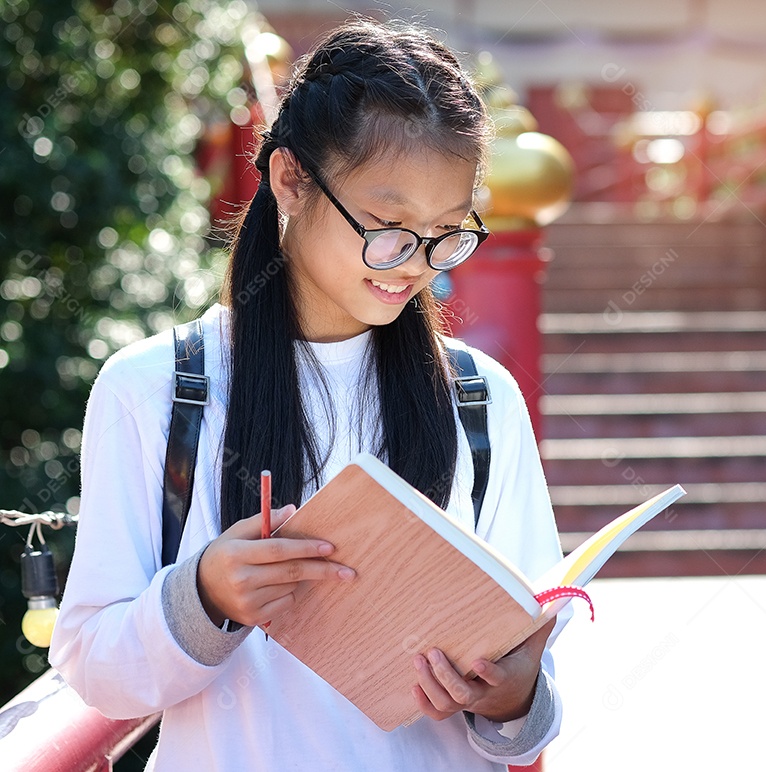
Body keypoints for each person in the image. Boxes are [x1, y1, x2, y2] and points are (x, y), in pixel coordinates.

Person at [49, 17, 568, 771]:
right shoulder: (157, 391)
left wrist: (511, 697)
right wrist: (204, 599)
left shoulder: (478, 398)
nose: (414, 264)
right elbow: (94, 672)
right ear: (291, 178)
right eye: (387, 227)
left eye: (447, 232)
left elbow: (540, 690)